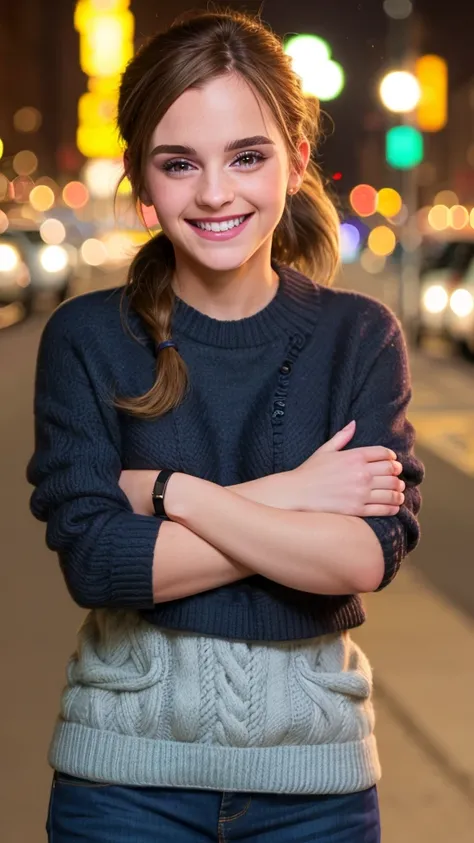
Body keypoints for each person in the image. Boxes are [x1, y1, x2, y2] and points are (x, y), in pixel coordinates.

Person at [27, 8, 424, 842]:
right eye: (179, 164)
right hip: (120, 782)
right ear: (141, 178)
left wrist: (169, 493)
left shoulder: (358, 336)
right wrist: (295, 495)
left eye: (248, 156)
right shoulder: (88, 338)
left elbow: (362, 555)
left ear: (297, 160)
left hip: (318, 784)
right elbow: (99, 565)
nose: (215, 192)